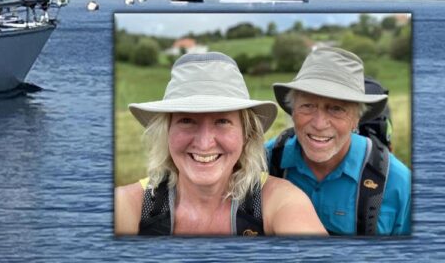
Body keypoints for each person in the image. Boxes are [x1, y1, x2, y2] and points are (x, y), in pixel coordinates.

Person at [114, 52, 326, 236]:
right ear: (166, 132)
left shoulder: (280, 202)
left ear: (247, 134)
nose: (204, 143)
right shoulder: (127, 206)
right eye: (187, 120)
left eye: (222, 121)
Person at [266, 47, 411, 235]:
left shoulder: (399, 184)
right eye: (307, 106)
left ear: (356, 119)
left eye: (336, 109)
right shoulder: (261, 162)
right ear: (292, 111)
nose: (319, 124)